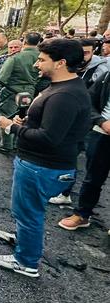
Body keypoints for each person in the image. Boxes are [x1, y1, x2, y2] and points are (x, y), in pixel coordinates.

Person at [0, 39, 91, 278]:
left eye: (42, 59)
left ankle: (26, 261)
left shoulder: (65, 95)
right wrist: (27, 123)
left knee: (29, 213)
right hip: (40, 164)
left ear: (61, 63)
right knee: (27, 211)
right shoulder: (60, 87)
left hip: (42, 166)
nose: (36, 64)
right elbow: (52, 125)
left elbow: (49, 138)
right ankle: (24, 239)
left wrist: (10, 128)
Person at [57, 69, 110, 230]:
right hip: (103, 134)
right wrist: (101, 121)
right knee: (93, 177)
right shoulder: (107, 76)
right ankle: (82, 215)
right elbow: (89, 100)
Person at [0, 33, 41, 153]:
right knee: (21, 117)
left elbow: (2, 76)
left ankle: (6, 145)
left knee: (6, 116)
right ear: (38, 42)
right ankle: (15, 144)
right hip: (29, 91)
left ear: (24, 42)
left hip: (12, 92)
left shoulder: (16, 57)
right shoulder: (42, 57)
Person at [0, 39, 22, 129]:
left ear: (21, 48)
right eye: (11, 47)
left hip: (16, 93)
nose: (13, 49)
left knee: (14, 117)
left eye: (16, 47)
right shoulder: (1, 59)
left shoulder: (25, 61)